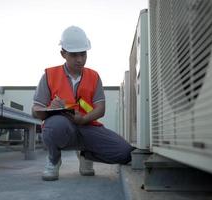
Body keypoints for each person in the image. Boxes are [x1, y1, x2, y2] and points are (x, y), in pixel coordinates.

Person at [32, 26, 135, 181]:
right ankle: (54, 160)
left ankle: (85, 155)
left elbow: (100, 109)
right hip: (63, 127)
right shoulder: (49, 75)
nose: (80, 59)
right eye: (74, 55)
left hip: (88, 127)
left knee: (125, 153)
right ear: (63, 54)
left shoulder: (93, 76)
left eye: (83, 54)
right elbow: (35, 110)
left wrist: (84, 119)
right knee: (54, 125)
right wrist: (48, 108)